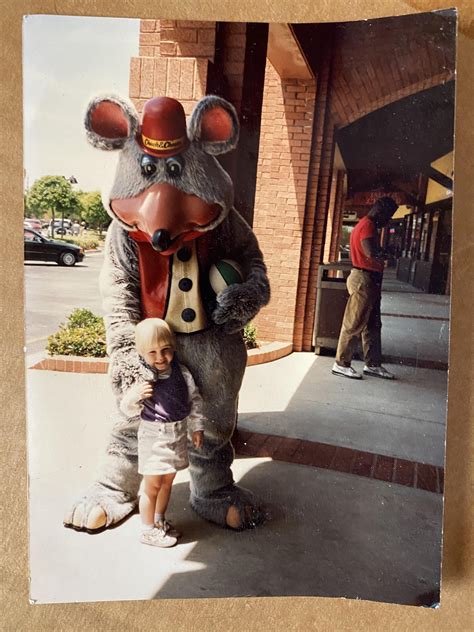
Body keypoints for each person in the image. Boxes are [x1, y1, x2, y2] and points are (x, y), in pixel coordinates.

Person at [119, 318, 206, 547]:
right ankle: (147, 530)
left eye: (165, 350)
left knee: (167, 481)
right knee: (152, 485)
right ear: (141, 354)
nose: (160, 357)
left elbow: (194, 400)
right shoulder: (143, 379)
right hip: (154, 436)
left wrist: (197, 427)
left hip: (177, 434)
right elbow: (126, 409)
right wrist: (136, 395)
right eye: (152, 352)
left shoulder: (182, 373)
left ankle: (159, 521)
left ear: (173, 348)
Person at [332, 196, 399, 380]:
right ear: (380, 210)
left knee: (372, 324)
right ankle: (341, 363)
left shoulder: (365, 224)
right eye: (388, 216)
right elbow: (371, 252)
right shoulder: (368, 225)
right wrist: (388, 253)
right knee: (354, 323)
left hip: (369, 279)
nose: (387, 221)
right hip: (364, 279)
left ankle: (373, 364)